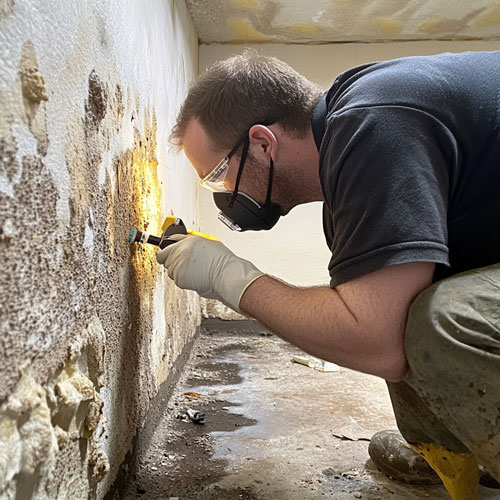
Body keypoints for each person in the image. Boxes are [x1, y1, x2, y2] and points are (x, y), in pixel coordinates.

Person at [156, 49, 500, 499]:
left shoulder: (373, 124)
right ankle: (456, 447)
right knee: (398, 293)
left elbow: (377, 340)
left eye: (219, 177)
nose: (224, 195)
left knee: (443, 320)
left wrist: (228, 276)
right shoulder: (349, 152)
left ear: (262, 143)